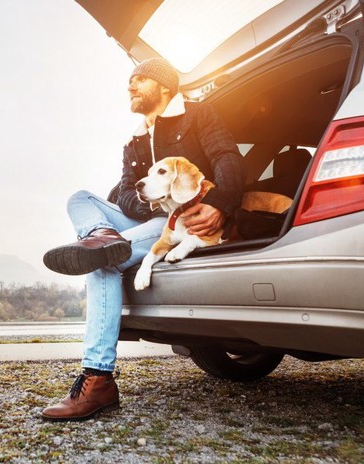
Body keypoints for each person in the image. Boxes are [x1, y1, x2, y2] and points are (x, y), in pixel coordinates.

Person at [41, 58, 245, 421]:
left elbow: (227, 159)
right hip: (147, 217)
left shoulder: (199, 115)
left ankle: (98, 378)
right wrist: (147, 201)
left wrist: (218, 205)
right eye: (129, 81)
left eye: (139, 79)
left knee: (101, 264)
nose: (131, 86)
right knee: (81, 198)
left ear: (165, 86)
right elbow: (122, 193)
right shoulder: (133, 141)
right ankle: (101, 236)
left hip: (180, 217)